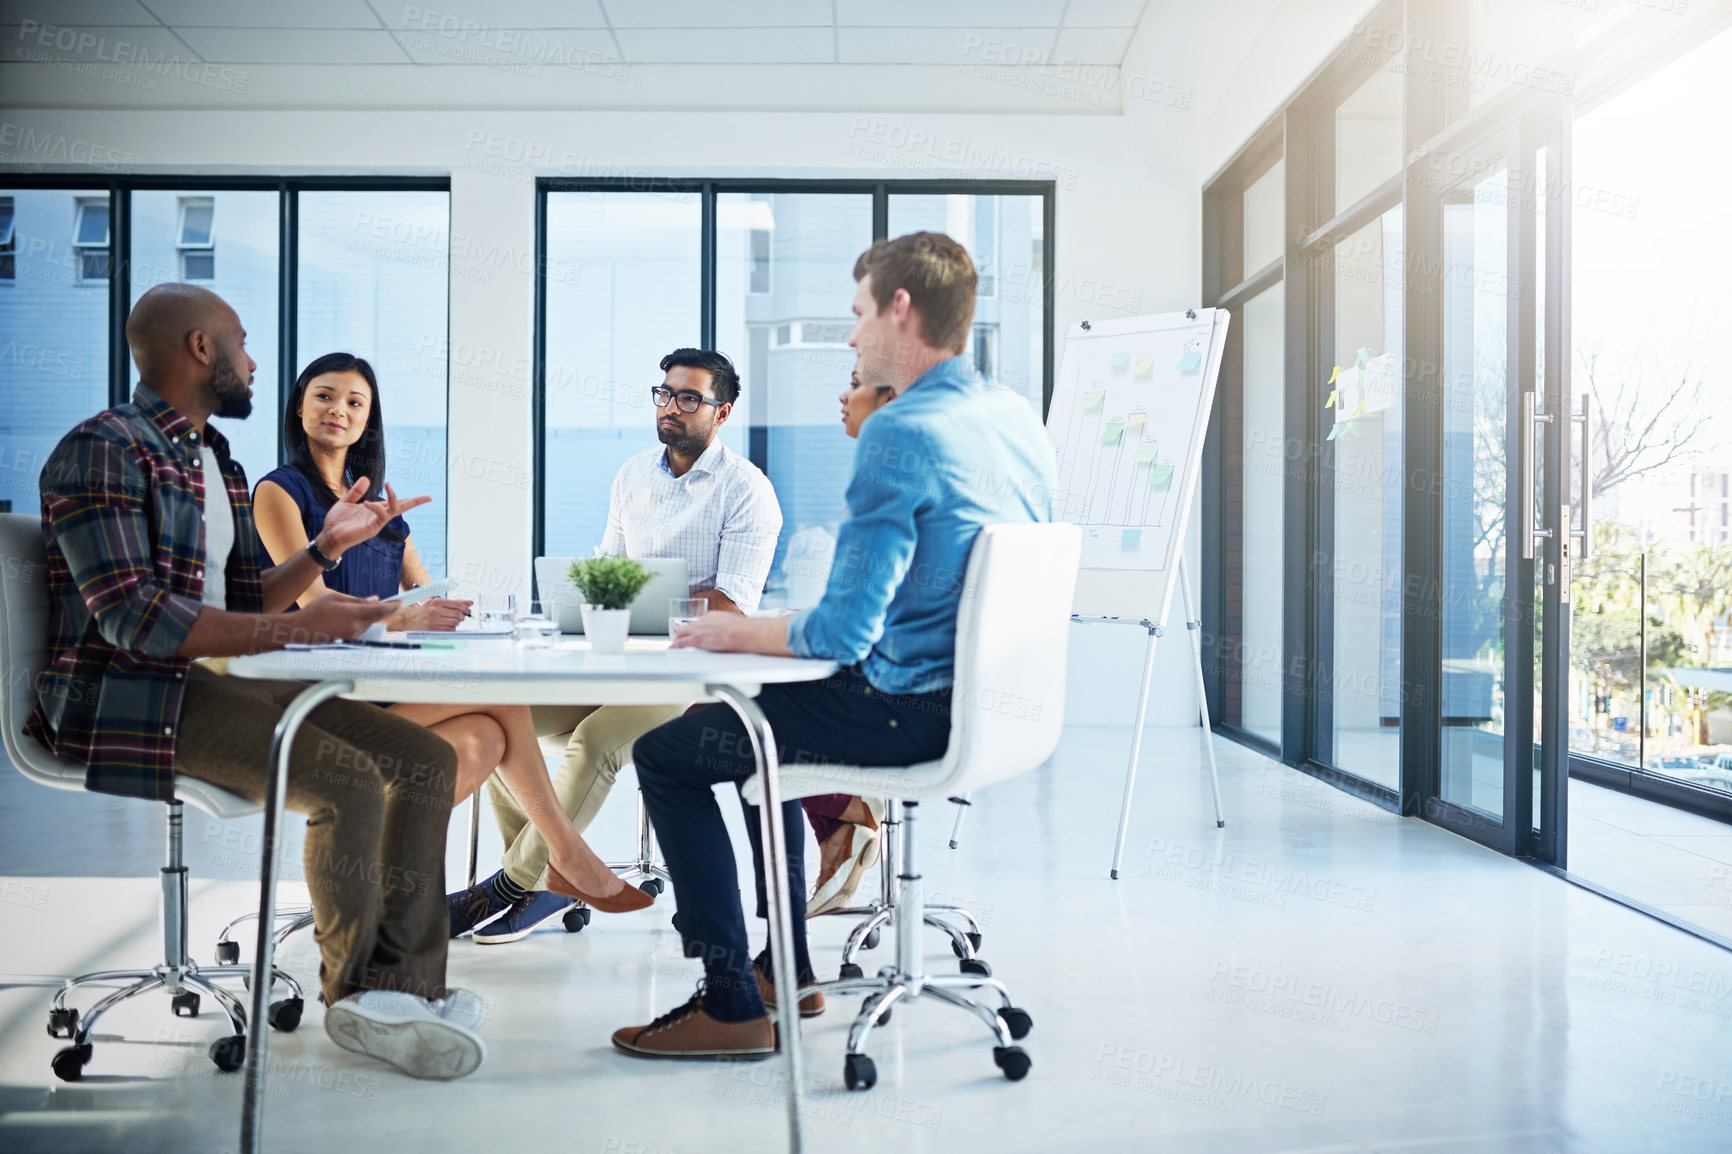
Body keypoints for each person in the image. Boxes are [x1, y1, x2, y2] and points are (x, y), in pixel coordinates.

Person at [611, 233, 1057, 1060]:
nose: (851, 339)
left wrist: (734, 629)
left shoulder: (904, 430)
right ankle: (787, 964)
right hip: (988, 705)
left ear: (900, 309)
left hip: (906, 711)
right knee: (757, 726)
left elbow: (842, 633)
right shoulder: (1015, 417)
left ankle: (730, 1002)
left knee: (667, 756)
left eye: (856, 316)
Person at [27, 283, 485, 1080]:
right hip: (133, 696)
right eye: (241, 342)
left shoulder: (212, 457)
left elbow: (245, 598)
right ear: (201, 348)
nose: (254, 361)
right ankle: (357, 1000)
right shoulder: (103, 447)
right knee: (348, 784)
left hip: (224, 678)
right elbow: (136, 618)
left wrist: (322, 554)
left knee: (425, 761)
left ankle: (407, 986)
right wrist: (303, 625)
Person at [252, 351, 652, 937]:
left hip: (384, 686)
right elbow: (312, 603)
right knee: (500, 700)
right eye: (325, 395)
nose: (339, 409)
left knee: (487, 736)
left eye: (354, 402)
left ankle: (376, 884)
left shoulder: (384, 513)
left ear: (368, 421)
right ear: (299, 406)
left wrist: (450, 612)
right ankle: (565, 856)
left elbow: (424, 592)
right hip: (320, 695)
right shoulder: (279, 491)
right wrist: (405, 618)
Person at [448, 347, 782, 944]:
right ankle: (546, 883)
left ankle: (504, 888)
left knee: (597, 740)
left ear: (722, 412)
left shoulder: (747, 491)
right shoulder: (632, 475)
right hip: (615, 663)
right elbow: (604, 573)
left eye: (689, 398)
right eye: (664, 394)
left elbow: (733, 603)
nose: (671, 407)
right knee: (501, 715)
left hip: (692, 679)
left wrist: (638, 597)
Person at [801, 368, 895, 917]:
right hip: (927, 691)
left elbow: (847, 629)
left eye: (856, 382)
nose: (842, 393)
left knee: (734, 715)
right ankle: (842, 822)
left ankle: (774, 947)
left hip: (890, 698)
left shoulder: (886, 489)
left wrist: (755, 632)